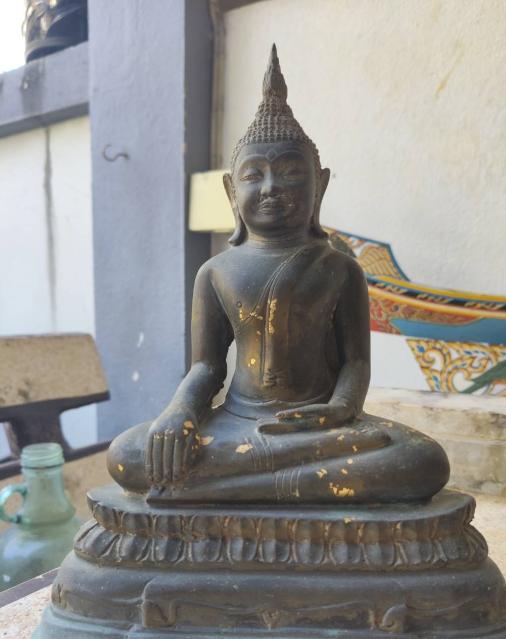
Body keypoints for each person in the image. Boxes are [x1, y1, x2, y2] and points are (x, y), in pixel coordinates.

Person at [107, 45, 449, 504]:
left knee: (422, 461)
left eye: (290, 172)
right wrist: (179, 410)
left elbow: (356, 363)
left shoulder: (339, 268)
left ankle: (225, 491)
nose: (271, 187)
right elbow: (207, 367)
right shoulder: (215, 272)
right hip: (236, 426)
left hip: (318, 428)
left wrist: (339, 410)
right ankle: (278, 488)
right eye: (254, 175)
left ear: (319, 184)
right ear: (231, 190)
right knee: (128, 455)